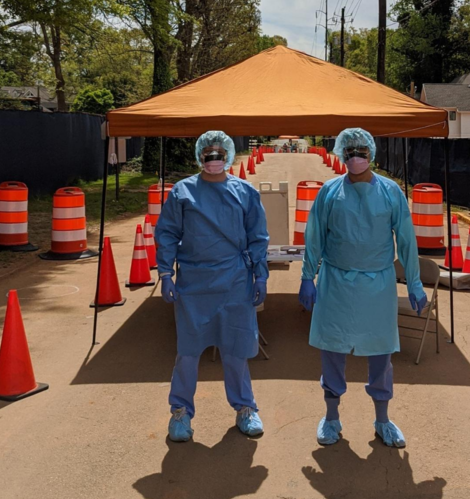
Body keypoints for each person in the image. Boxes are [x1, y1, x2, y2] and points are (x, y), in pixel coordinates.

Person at [298, 127, 427, 448]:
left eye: (362, 152)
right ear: (342, 155)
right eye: (350, 152)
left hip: (378, 282)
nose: (356, 158)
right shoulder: (329, 192)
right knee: (332, 350)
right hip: (336, 281)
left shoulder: (390, 192)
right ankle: (331, 417)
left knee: (381, 353)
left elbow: (407, 239)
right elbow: (315, 236)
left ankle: (383, 419)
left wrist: (414, 282)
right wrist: (306, 276)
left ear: (371, 154)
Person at [154, 130, 270, 442]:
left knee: (236, 350)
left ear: (229, 156)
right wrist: (165, 274)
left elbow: (258, 236)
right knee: (188, 352)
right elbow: (166, 233)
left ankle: (245, 407)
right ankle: (180, 412)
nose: (214, 159)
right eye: (209, 153)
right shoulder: (182, 192)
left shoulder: (245, 192)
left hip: (235, 280)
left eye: (220, 153)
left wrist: (260, 275)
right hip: (194, 282)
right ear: (199, 156)